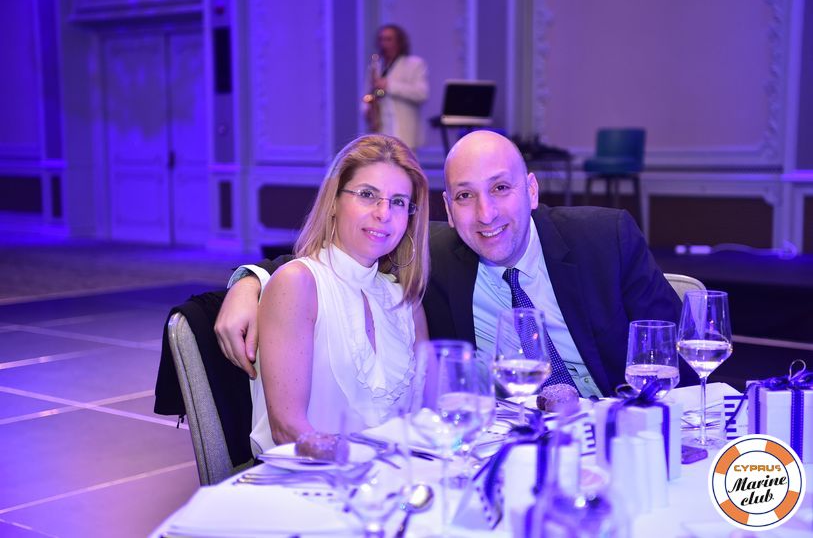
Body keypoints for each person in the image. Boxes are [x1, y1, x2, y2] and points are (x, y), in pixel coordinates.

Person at [217, 131, 695, 400]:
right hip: (501, 454)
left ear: (531, 191)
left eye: (501, 189)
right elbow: (329, 256)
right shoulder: (438, 254)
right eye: (465, 196)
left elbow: (681, 365)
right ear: (448, 207)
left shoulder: (605, 239)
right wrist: (250, 282)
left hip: (614, 437)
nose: (485, 215)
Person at [245, 134, 432, 455]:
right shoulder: (299, 283)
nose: (384, 213)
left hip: (394, 476)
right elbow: (286, 428)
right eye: (367, 194)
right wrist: (361, 468)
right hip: (312, 477)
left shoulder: (406, 302)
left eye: (399, 202)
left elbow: (428, 414)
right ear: (333, 201)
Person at [363, 24, 428, 149]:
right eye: (381, 39)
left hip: (405, 131)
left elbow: (422, 93)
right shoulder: (376, 66)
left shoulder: (414, 64)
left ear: (399, 42)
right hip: (381, 129)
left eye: (388, 39)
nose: (384, 44)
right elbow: (367, 94)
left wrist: (389, 85)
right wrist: (367, 109)